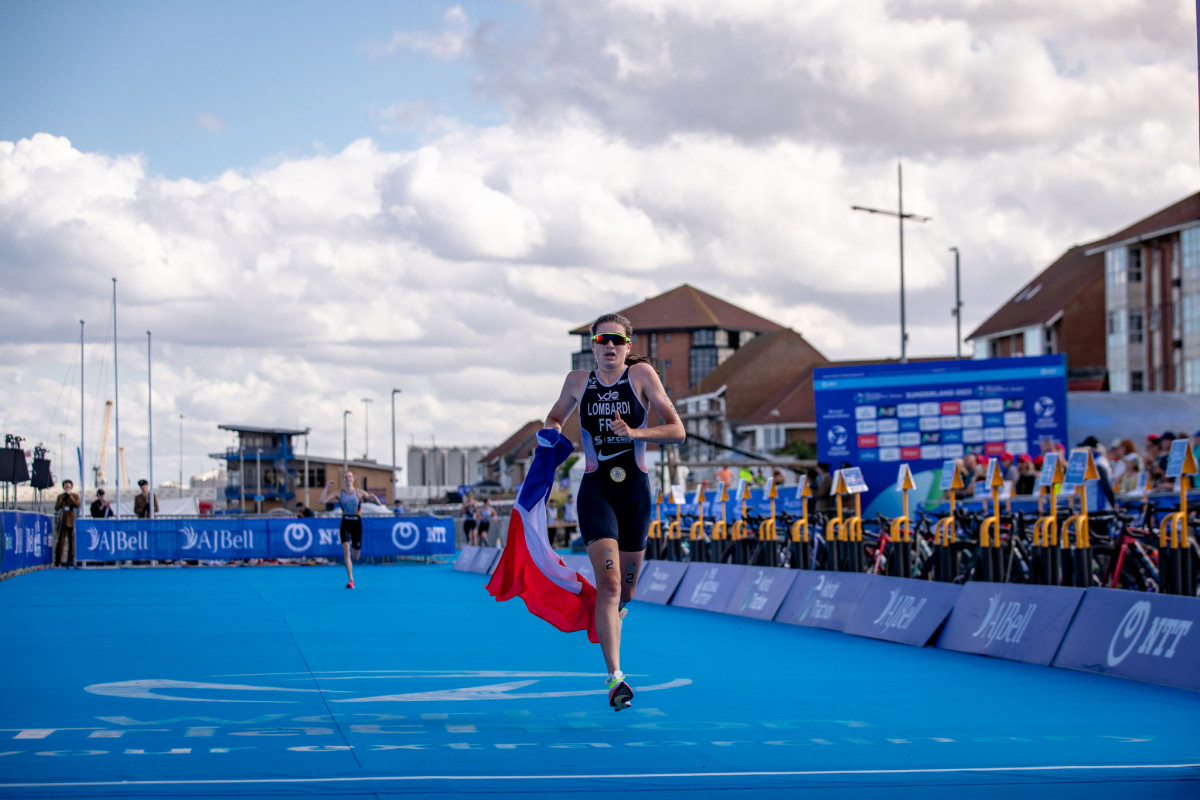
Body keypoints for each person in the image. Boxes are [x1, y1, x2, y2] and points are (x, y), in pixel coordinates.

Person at [544, 312, 685, 711]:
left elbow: (677, 430)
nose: (609, 346)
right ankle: (615, 677)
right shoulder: (577, 382)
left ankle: (611, 617)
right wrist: (552, 433)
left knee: (626, 591)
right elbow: (554, 417)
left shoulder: (642, 376)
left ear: (627, 346)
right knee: (608, 585)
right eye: (602, 340)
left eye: (617, 341)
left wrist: (636, 432)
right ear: (593, 346)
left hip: (635, 494)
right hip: (597, 491)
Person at [319, 471, 374, 589]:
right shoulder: (339, 493)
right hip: (345, 523)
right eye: (345, 477)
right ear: (343, 480)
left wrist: (374, 498)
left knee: (356, 555)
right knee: (347, 553)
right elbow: (322, 501)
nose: (348, 479)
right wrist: (327, 487)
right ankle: (351, 580)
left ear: (353, 479)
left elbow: (374, 500)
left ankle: (356, 552)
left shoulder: (359, 492)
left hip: (357, 523)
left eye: (350, 477)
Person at [54, 480, 80, 567]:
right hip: (63, 519)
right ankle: (58, 560)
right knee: (61, 541)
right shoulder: (60, 496)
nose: (67, 488)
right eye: (66, 487)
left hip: (71, 519)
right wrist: (63, 499)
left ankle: (70, 560)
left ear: (71, 487)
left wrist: (70, 496)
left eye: (68, 487)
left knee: (71, 541)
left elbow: (77, 505)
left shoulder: (75, 496)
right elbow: (56, 507)